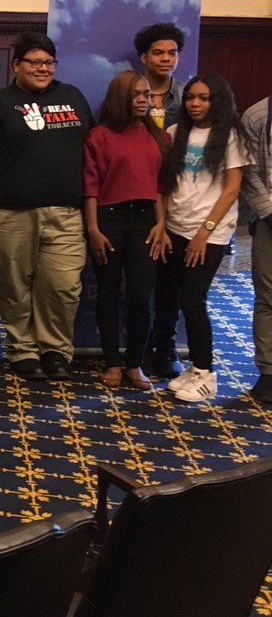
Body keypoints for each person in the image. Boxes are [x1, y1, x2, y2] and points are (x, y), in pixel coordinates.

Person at [0, 31, 94, 382]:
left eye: (48, 62)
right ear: (16, 65)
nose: (42, 68)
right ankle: (22, 350)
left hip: (66, 213)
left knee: (63, 286)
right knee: (14, 285)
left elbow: (92, 153)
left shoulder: (73, 97)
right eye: (34, 62)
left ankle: (55, 349)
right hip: (9, 213)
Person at [154, 75, 252, 402]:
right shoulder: (174, 133)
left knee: (193, 300)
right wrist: (164, 226)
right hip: (175, 228)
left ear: (217, 101)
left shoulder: (230, 136)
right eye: (191, 98)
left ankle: (206, 373)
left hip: (208, 232)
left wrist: (204, 232)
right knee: (170, 296)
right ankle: (191, 370)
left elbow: (232, 189)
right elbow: (167, 184)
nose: (195, 104)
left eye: (204, 98)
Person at [82, 70, 169, 391]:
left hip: (146, 221)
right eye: (137, 95)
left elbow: (161, 187)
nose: (145, 100)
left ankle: (134, 362)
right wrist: (92, 228)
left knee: (140, 295)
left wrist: (161, 223)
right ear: (121, 97)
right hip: (109, 220)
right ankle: (112, 363)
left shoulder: (160, 137)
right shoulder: (99, 136)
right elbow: (90, 187)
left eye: (148, 95)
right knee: (107, 294)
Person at [242, 92, 272, 405]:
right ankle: (268, 372)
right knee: (268, 295)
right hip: (269, 218)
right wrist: (267, 210)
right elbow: (248, 169)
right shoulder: (257, 114)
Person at [133, 23, 186, 129]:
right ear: (144, 58)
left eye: (172, 53)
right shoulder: (128, 92)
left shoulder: (186, 93)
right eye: (158, 53)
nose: (166, 58)